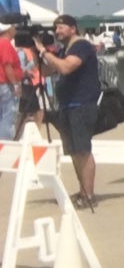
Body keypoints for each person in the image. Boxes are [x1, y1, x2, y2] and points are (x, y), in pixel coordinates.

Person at [37, 15, 102, 207]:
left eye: (61, 27)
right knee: (73, 151)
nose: (57, 31)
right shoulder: (65, 48)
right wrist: (39, 54)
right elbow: (50, 71)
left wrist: (44, 53)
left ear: (73, 28)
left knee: (83, 150)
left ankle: (89, 195)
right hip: (68, 104)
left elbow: (66, 67)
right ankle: (82, 191)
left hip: (81, 104)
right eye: (56, 28)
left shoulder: (81, 45)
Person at [0, 15, 21, 139]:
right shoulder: (5, 43)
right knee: (8, 116)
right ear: (9, 29)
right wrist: (16, 84)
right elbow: (7, 65)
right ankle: (4, 143)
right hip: (5, 84)